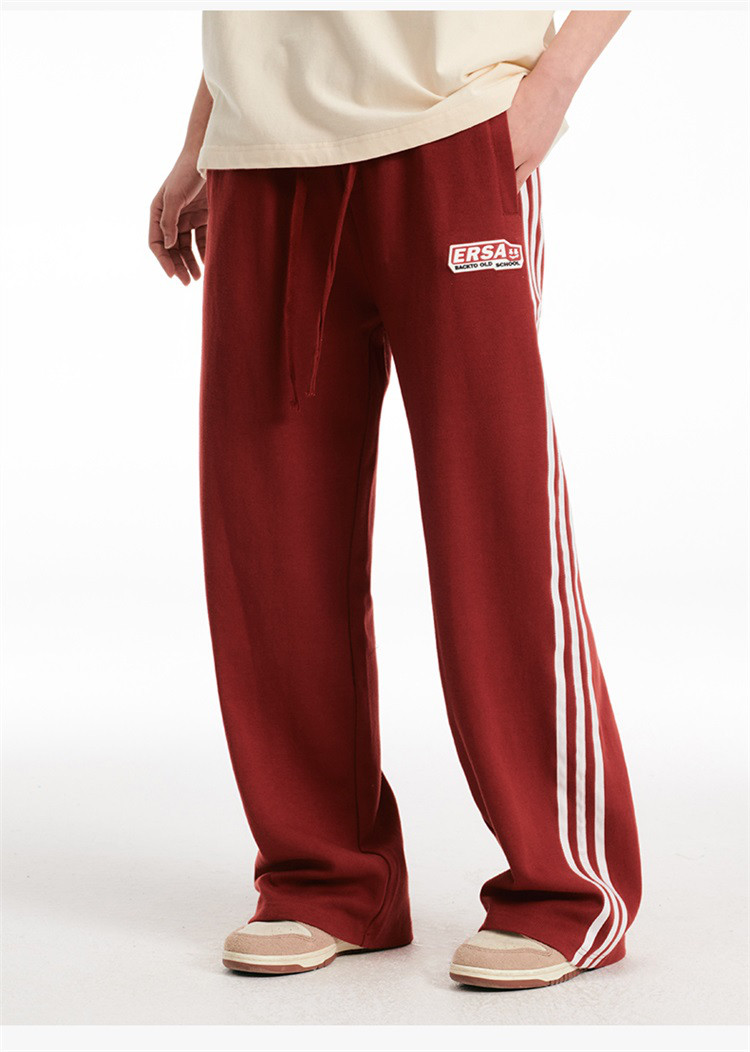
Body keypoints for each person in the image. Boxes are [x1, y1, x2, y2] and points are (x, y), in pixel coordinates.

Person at [149, 10, 642, 991]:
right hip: (262, 154)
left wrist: (550, 89)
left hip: (452, 130)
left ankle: (568, 888)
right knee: (271, 538)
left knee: (493, 524)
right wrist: (202, 136)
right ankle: (327, 879)